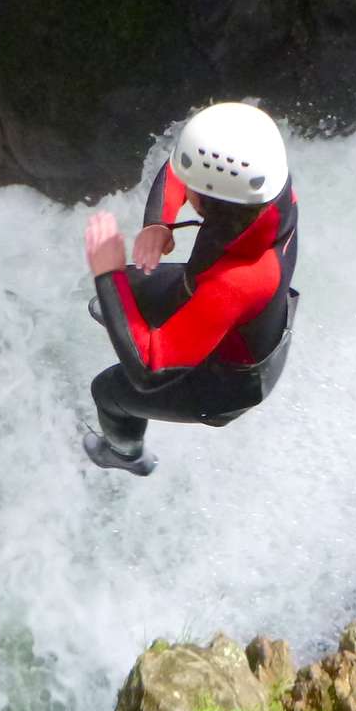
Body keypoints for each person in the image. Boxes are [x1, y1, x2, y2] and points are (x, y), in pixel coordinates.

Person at [80, 101, 300, 476]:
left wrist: (108, 273)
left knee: (108, 389)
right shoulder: (268, 190)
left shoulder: (238, 279)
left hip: (226, 382)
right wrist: (158, 224)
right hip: (218, 303)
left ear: (204, 203)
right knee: (109, 304)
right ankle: (139, 327)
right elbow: (181, 173)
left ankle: (125, 453)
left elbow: (149, 372)